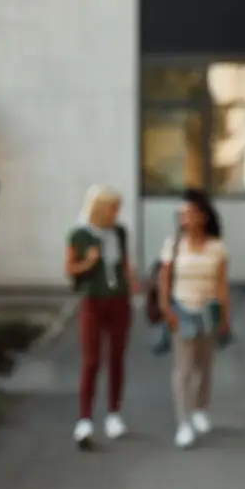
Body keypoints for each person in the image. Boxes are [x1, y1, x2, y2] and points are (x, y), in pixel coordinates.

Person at [65, 185, 140, 449]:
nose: (116, 213)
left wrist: (132, 281)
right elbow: (70, 269)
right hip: (93, 301)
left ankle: (114, 415)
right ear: (99, 208)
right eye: (112, 208)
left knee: (117, 358)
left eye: (117, 208)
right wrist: (89, 262)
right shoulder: (79, 235)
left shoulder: (119, 232)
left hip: (119, 301)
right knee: (91, 361)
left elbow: (124, 263)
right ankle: (84, 420)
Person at [157, 188, 231, 449]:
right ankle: (183, 423)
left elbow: (222, 284)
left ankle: (200, 408)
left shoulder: (217, 247)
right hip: (182, 311)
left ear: (202, 216)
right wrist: (166, 310)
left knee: (204, 365)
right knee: (184, 370)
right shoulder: (174, 245)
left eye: (189, 213)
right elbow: (164, 280)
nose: (184, 219)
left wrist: (225, 316)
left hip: (208, 310)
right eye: (181, 214)